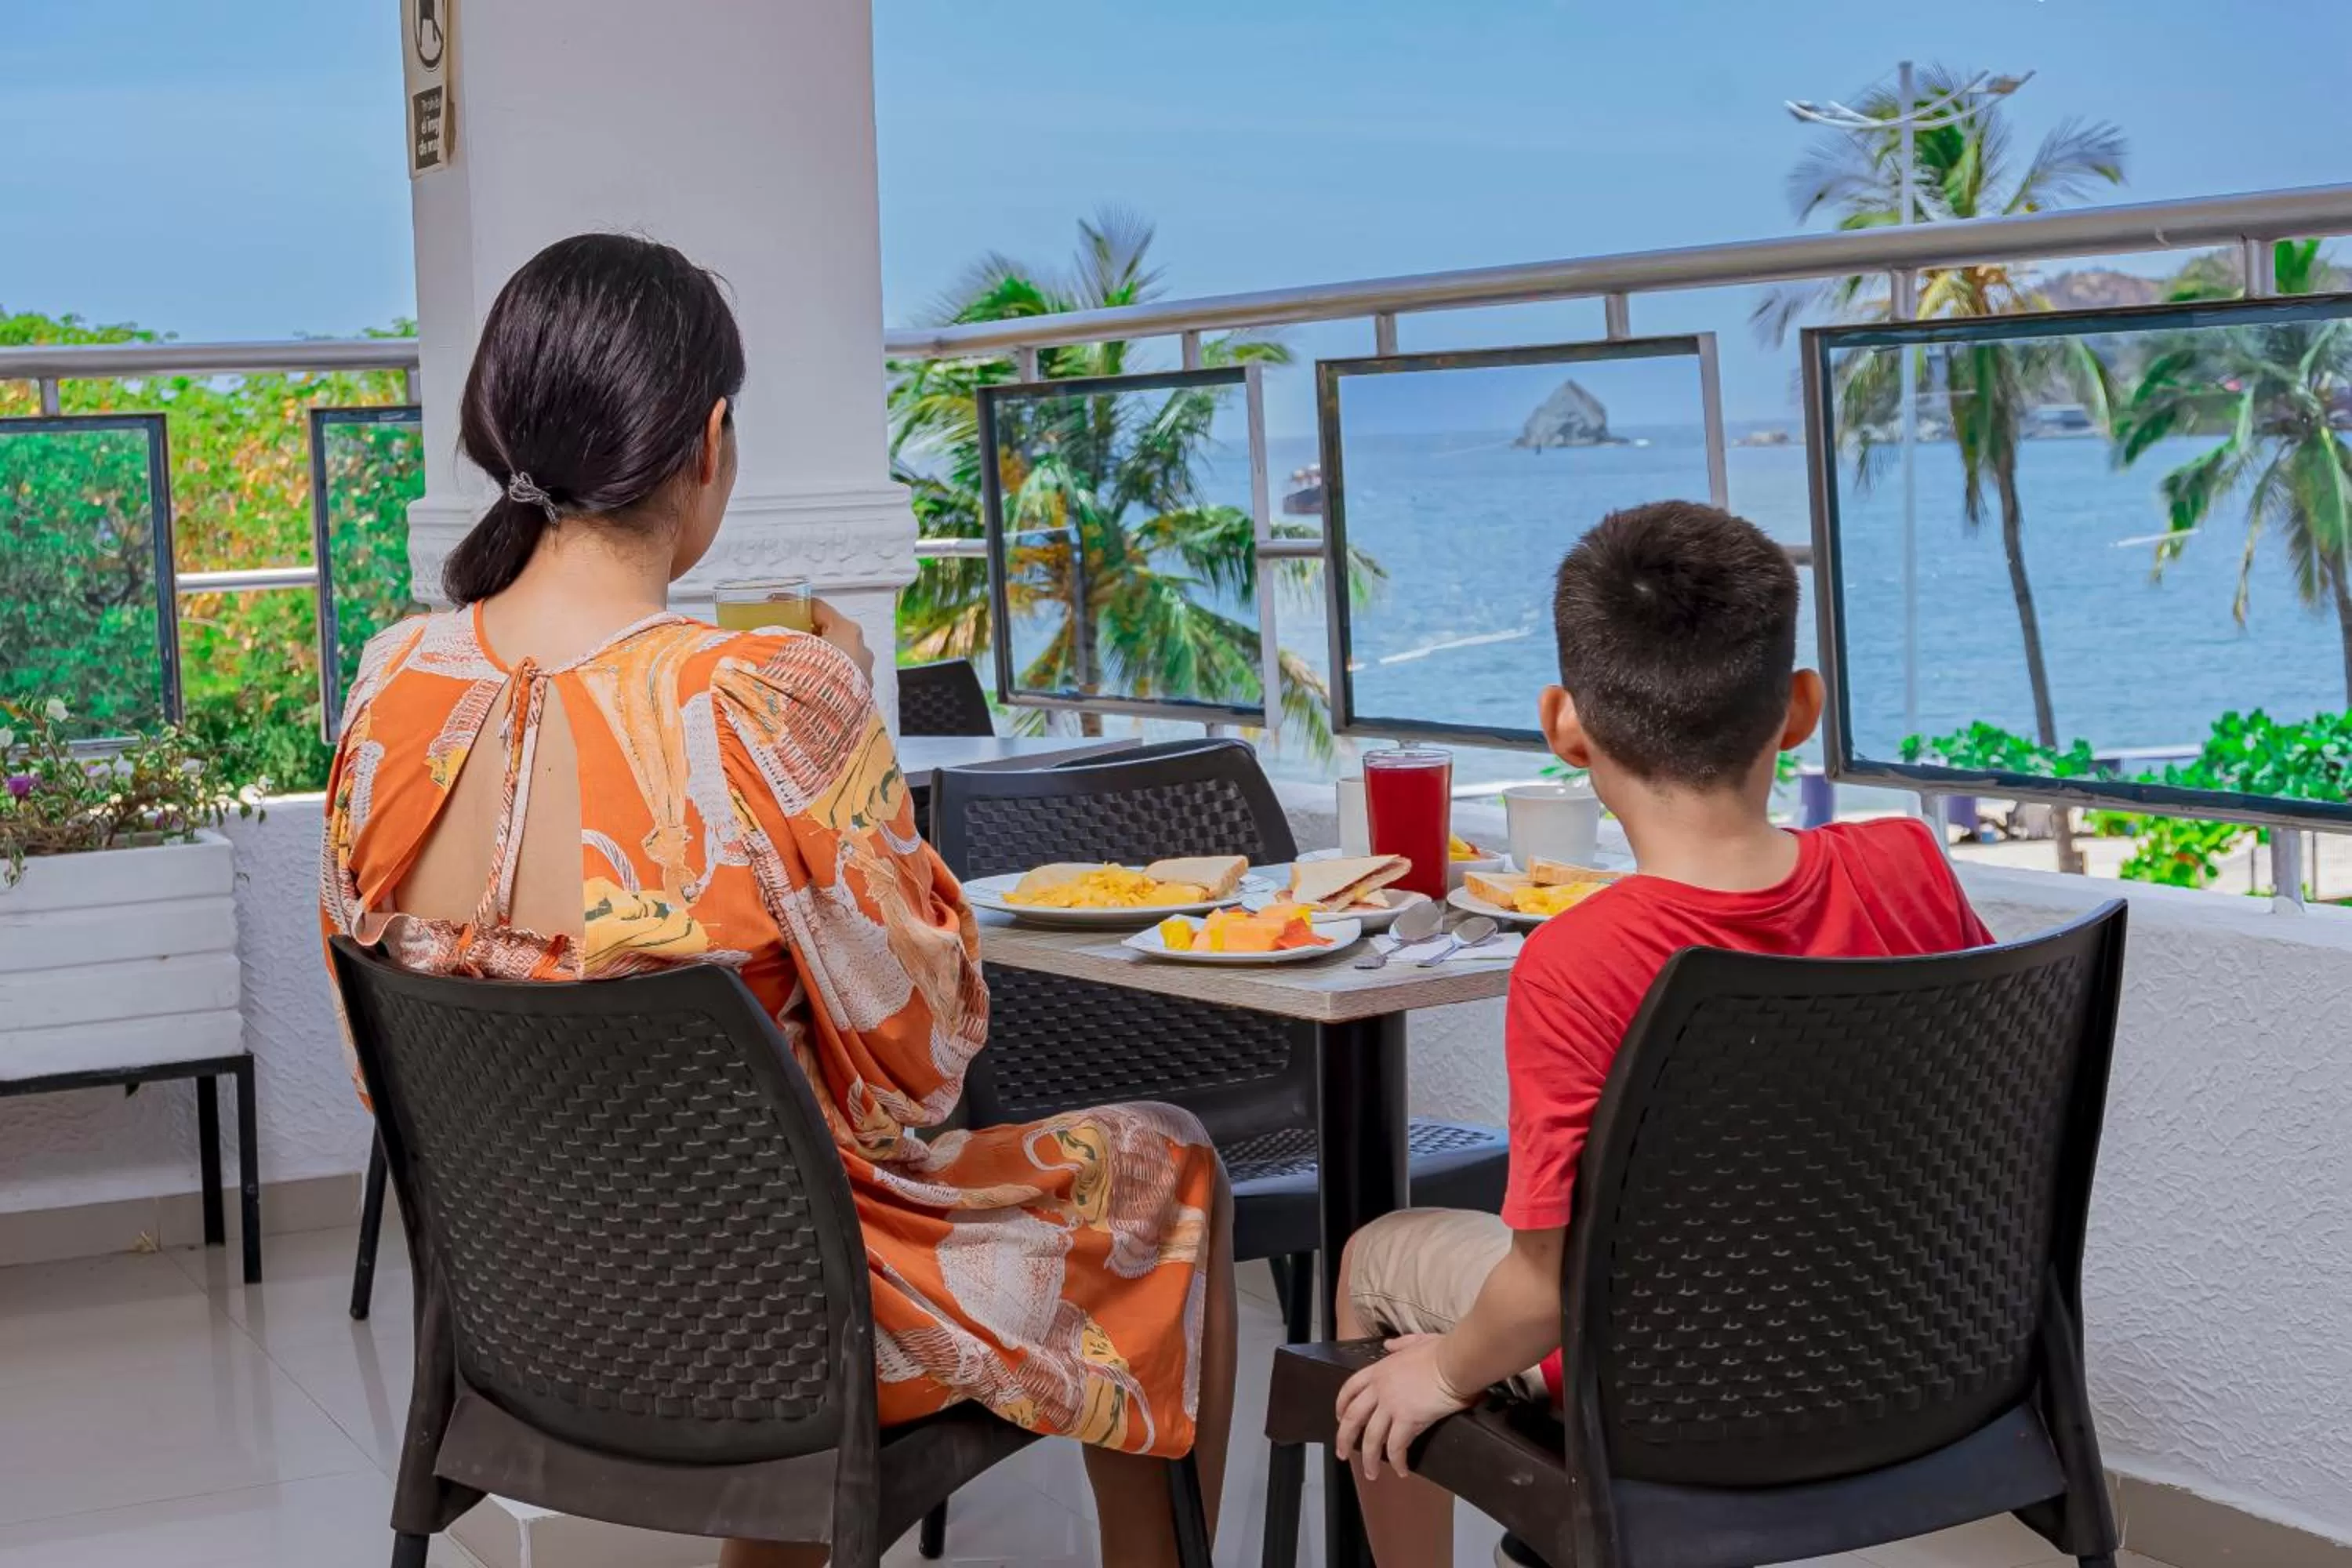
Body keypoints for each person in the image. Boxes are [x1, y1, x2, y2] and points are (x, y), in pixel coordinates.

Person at [317, 233, 1234, 1568]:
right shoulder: (764, 694)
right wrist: (853, 740)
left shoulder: (391, 686)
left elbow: (381, 1061)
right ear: (710, 439)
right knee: (1163, 1157)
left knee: (775, 1177)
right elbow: (921, 1066)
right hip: (786, 1332)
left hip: (530, 1325)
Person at [1328, 501, 1992, 1568]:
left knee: (1373, 1253)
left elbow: (1546, 1288)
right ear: (1801, 708)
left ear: (1564, 724)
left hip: (1671, 1394)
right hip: (1918, 1354)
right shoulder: (1907, 864)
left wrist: (1445, 1372)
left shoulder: (1580, 962)